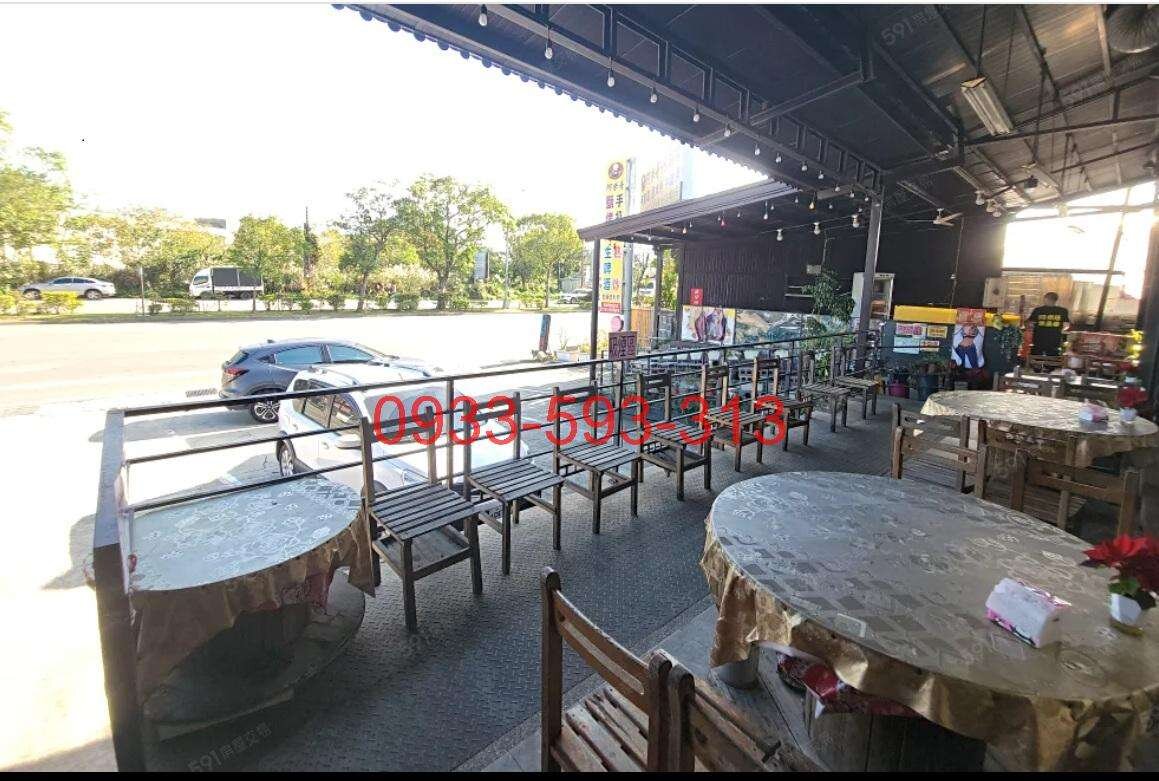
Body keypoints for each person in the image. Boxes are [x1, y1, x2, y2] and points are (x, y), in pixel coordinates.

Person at [1026, 292, 1070, 356]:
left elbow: (1030, 324)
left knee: (1036, 356)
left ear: (1045, 298)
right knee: (1052, 357)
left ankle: (1037, 362)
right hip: (1055, 339)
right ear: (1055, 300)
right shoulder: (1063, 311)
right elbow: (1066, 325)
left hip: (1039, 339)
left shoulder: (1038, 310)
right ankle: (1050, 363)